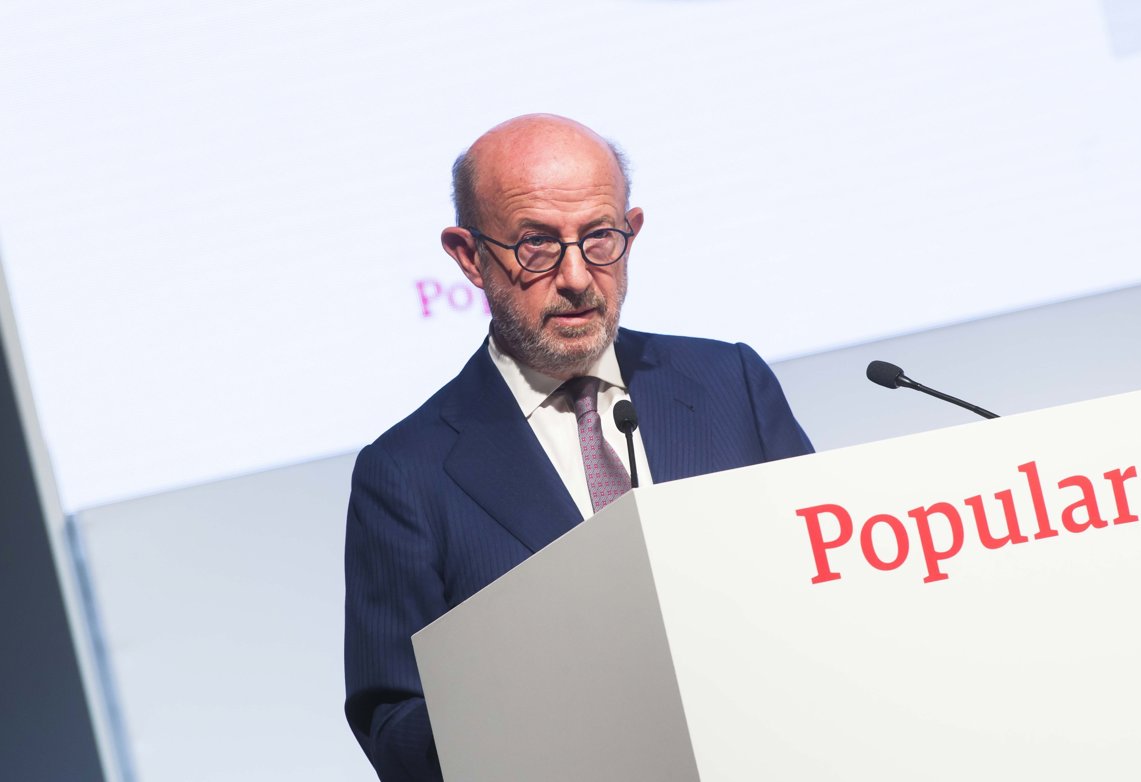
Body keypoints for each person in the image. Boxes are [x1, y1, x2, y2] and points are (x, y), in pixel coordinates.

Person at [343, 114, 814, 781]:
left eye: (600, 238)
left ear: (632, 232)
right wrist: (544, 700)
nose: (576, 277)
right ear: (469, 256)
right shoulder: (406, 475)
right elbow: (395, 728)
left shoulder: (727, 384)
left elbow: (823, 580)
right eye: (535, 244)